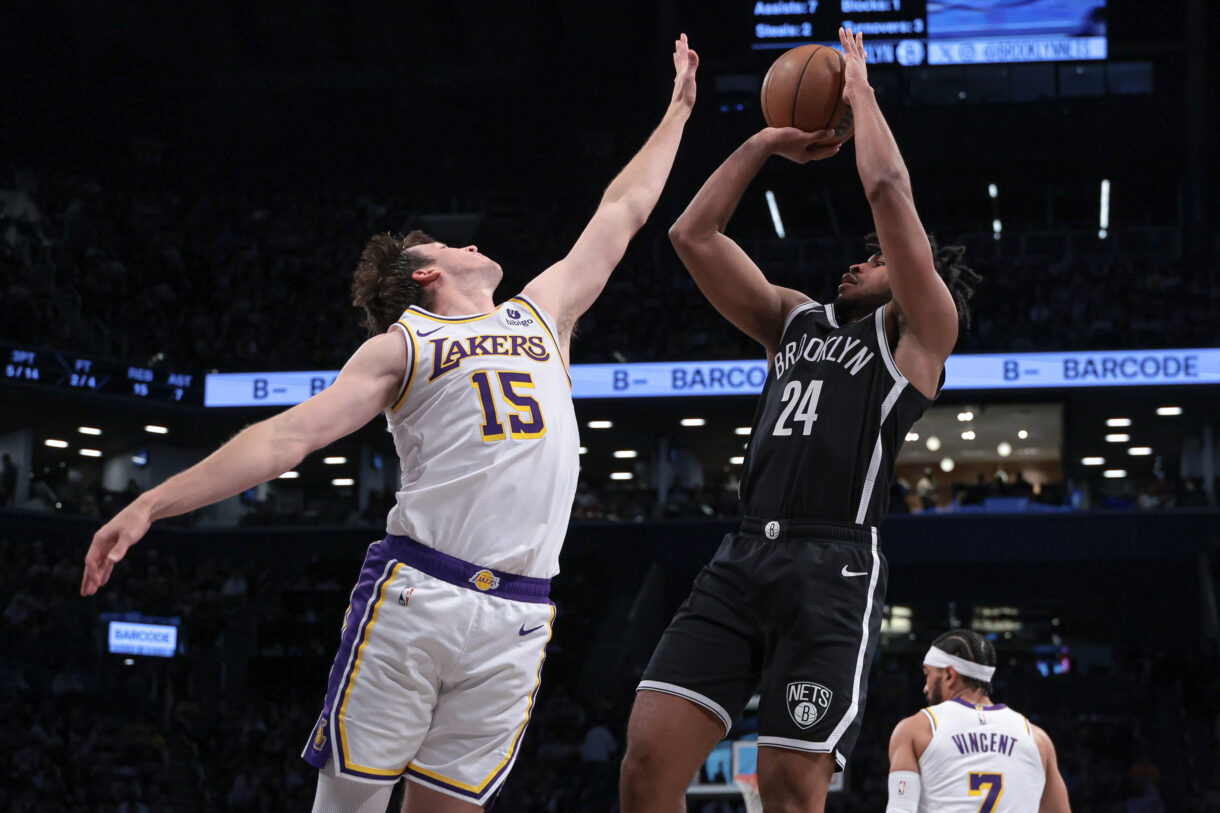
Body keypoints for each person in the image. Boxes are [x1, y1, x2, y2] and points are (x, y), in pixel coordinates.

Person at [82, 34, 699, 813]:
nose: (473, 240)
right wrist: (148, 503)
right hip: (419, 595)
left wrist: (677, 110)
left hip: (520, 611)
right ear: (427, 274)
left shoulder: (543, 313)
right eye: (450, 242)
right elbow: (286, 437)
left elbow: (624, 209)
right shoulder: (404, 343)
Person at [620, 28, 980, 812]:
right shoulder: (795, 320)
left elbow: (887, 191)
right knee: (647, 761)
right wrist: (765, 141)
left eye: (876, 259)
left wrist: (860, 90)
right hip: (744, 551)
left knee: (786, 787)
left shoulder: (922, 334)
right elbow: (693, 234)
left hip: (832, 566)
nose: (858, 260)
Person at [886, 630, 1071, 812]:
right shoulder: (1037, 739)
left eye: (928, 674)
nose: (925, 688)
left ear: (950, 675)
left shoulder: (918, 729)